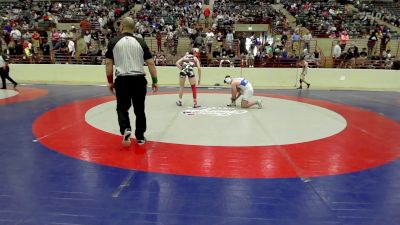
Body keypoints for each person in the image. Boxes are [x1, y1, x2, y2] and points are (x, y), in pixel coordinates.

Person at [105, 17, 158, 147]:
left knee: (122, 108)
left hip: (122, 80)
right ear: (133, 28)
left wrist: (110, 82)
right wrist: (155, 81)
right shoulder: (141, 42)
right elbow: (150, 63)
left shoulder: (113, 42)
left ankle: (126, 129)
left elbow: (108, 63)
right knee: (139, 109)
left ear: (121, 27)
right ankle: (140, 136)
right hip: (139, 80)